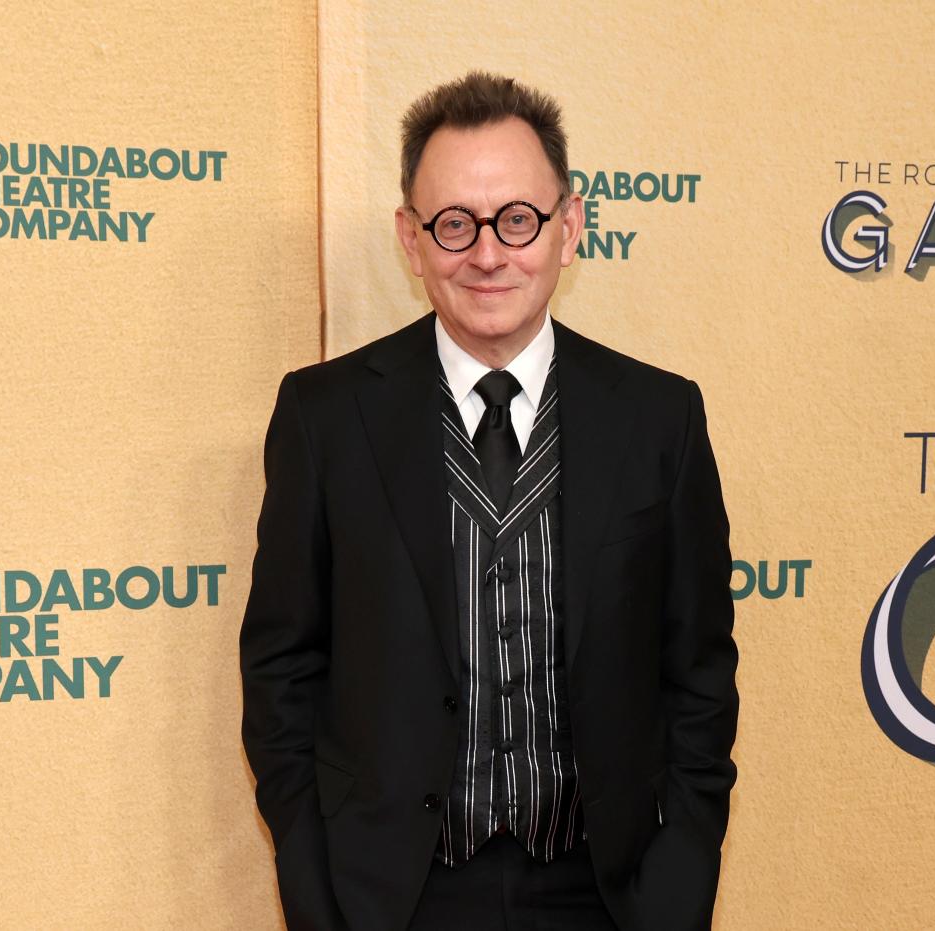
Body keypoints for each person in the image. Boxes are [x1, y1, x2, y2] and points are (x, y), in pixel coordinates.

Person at [240, 71, 738, 931]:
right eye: (453, 224)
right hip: (393, 897)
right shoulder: (325, 417)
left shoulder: (659, 416)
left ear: (568, 225)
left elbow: (697, 670)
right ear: (411, 237)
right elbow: (282, 667)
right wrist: (317, 887)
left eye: (516, 219)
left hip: (608, 892)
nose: (487, 253)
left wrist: (679, 877)